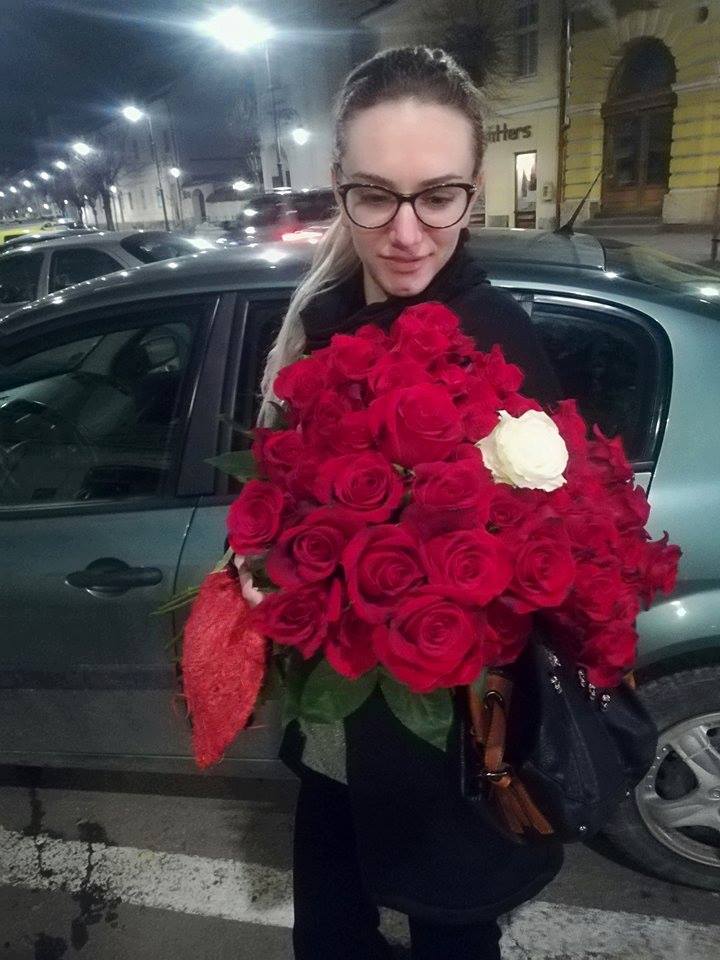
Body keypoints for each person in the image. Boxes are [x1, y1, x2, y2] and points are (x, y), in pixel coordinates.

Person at [255, 46, 564, 960]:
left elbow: (548, 563)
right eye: (374, 195)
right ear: (339, 186)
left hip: (449, 745)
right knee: (329, 936)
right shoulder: (317, 322)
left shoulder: (500, 342)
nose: (405, 233)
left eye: (437, 197)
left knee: (452, 936)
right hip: (334, 733)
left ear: (474, 192)